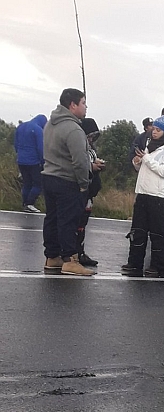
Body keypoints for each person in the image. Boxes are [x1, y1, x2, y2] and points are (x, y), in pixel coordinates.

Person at [41, 88, 94, 276]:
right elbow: (80, 160)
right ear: (72, 105)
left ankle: (52, 256)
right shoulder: (73, 129)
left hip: (49, 176)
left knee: (52, 219)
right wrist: (83, 184)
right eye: (83, 103)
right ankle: (70, 259)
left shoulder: (50, 124)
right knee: (68, 221)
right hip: (67, 180)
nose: (86, 107)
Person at [121, 114, 164, 277]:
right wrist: (137, 162)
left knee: (158, 234)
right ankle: (134, 263)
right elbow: (145, 168)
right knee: (138, 231)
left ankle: (157, 265)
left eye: (158, 129)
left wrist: (146, 159)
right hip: (143, 193)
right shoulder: (149, 146)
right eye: (153, 129)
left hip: (160, 196)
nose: (153, 132)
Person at [75, 118, 105, 267]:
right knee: (76, 221)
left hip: (90, 191)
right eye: (89, 135)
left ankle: (80, 252)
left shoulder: (91, 148)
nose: (92, 138)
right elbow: (80, 164)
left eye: (94, 136)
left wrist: (98, 165)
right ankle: (72, 254)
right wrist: (91, 167)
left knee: (83, 222)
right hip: (81, 189)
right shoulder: (80, 147)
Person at [13, 114, 47, 212]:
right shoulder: (38, 130)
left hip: (21, 161)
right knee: (38, 184)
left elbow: (16, 144)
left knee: (27, 183)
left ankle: (24, 203)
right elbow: (41, 148)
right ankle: (30, 203)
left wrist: (19, 155)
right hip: (33, 162)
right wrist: (43, 161)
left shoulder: (21, 126)